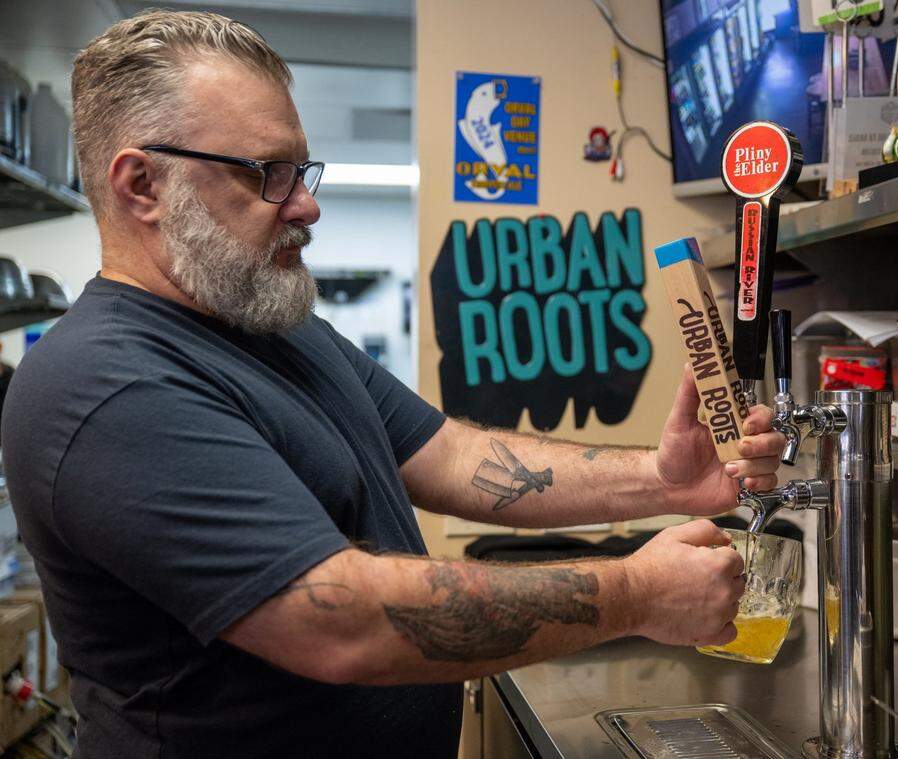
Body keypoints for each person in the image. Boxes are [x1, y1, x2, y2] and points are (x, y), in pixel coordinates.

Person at [0, 10, 787, 759]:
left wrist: (658, 478)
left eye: (300, 168)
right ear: (142, 185)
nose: (306, 203)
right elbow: (341, 621)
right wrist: (638, 593)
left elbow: (449, 457)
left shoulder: (274, 325)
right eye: (268, 173)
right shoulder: (108, 384)